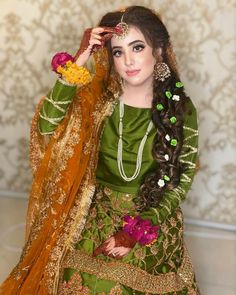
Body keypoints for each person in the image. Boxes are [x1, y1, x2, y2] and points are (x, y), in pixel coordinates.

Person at [0, 5, 200, 295]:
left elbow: (180, 179)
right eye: (118, 52)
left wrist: (137, 230)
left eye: (137, 47)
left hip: (151, 217)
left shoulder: (179, 108)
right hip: (95, 216)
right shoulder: (98, 102)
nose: (128, 60)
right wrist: (80, 58)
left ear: (158, 50)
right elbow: (46, 127)